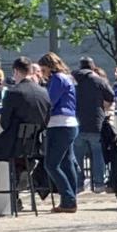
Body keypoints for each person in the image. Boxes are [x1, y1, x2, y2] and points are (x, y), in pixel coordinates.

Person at [0, 57, 51, 207]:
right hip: (35, 145)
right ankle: (21, 169)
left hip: (13, 144)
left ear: (15, 71)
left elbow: (4, 123)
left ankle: (11, 179)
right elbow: (46, 119)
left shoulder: (13, 93)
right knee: (16, 159)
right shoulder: (44, 93)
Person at [37, 52, 79, 214]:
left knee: (51, 164)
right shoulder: (66, 78)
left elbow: (50, 101)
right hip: (69, 123)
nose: (43, 72)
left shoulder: (57, 79)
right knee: (67, 163)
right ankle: (71, 199)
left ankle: (68, 200)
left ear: (49, 66)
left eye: (43, 69)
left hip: (59, 124)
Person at [72, 56, 115, 195]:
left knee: (77, 155)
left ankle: (78, 184)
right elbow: (111, 96)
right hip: (96, 122)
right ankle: (98, 184)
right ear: (92, 67)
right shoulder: (98, 80)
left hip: (77, 122)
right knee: (98, 155)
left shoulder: (73, 79)